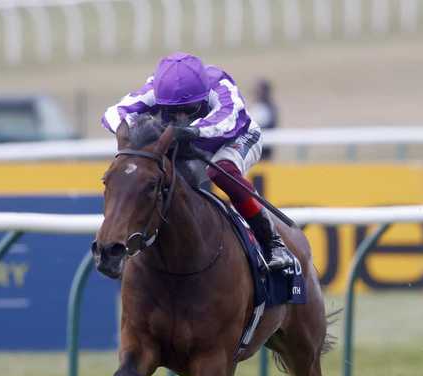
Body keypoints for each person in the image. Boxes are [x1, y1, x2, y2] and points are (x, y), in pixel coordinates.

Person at [101, 52, 292, 270]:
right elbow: (114, 112)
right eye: (172, 111)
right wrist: (123, 134)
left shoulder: (219, 84)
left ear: (203, 96)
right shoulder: (155, 89)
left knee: (221, 172)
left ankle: (272, 241)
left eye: (189, 109)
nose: (181, 116)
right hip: (189, 143)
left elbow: (227, 120)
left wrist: (191, 130)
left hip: (235, 137)